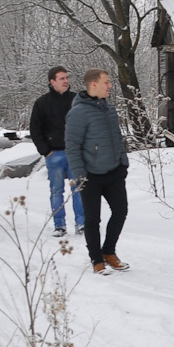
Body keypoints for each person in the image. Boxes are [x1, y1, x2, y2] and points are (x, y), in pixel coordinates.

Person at [64, 68, 130, 275]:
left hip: (113, 172)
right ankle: (96, 259)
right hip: (90, 175)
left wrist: (123, 164)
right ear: (93, 84)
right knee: (93, 219)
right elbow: (72, 146)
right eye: (106, 82)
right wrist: (80, 175)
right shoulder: (78, 112)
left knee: (121, 211)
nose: (110, 86)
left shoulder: (109, 110)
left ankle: (109, 251)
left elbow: (118, 139)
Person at [29, 66, 84, 238]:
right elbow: (35, 129)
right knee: (56, 190)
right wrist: (46, 151)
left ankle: (81, 224)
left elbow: (87, 124)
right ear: (52, 82)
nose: (66, 81)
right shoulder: (42, 103)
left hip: (76, 154)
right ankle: (59, 225)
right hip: (55, 155)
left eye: (67, 77)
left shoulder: (77, 100)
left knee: (80, 189)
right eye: (61, 78)